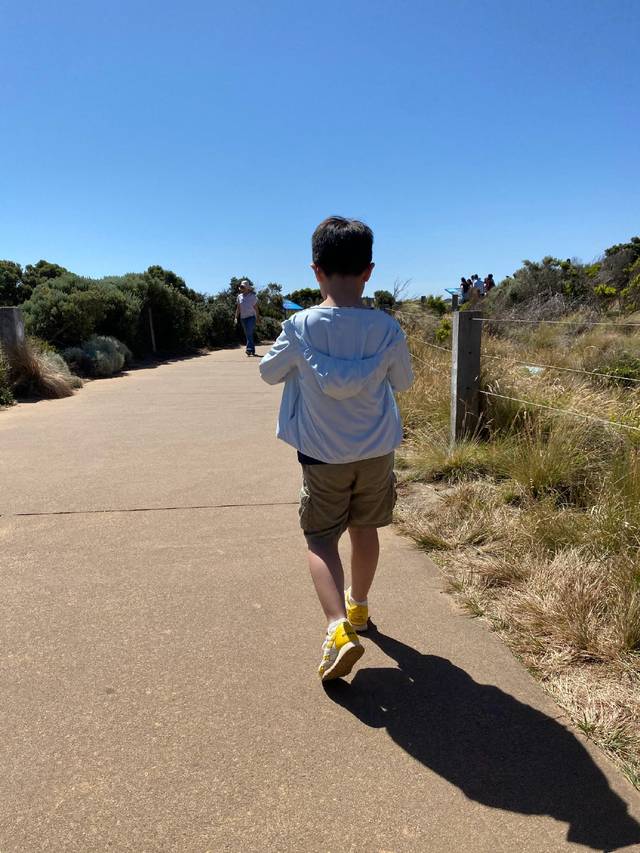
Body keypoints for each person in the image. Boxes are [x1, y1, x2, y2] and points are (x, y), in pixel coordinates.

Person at [259, 216, 414, 681]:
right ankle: (360, 607)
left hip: (322, 454)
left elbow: (269, 373)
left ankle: (336, 628)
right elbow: (402, 382)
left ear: (316, 271)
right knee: (365, 529)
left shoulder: (300, 326)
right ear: (369, 270)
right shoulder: (386, 329)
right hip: (375, 451)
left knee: (320, 537)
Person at [235, 280, 260, 356]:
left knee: (249, 333)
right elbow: (238, 308)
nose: (242, 288)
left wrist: (258, 318)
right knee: (248, 334)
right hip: (243, 318)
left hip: (251, 317)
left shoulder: (252, 296)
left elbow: (256, 308)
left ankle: (248, 349)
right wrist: (236, 317)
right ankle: (252, 350)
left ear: (247, 288)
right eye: (241, 286)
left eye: (243, 287)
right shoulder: (239, 297)